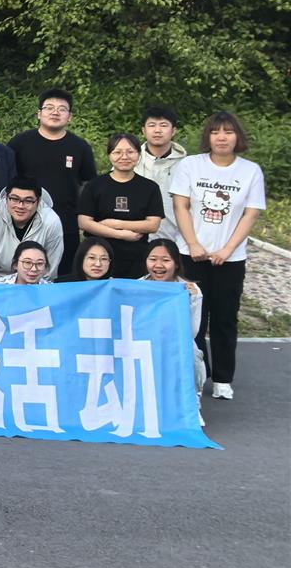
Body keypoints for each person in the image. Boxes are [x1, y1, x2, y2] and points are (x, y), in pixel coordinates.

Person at [169, 111, 266, 401]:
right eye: (215, 132)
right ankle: (199, 374)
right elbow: (181, 206)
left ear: (237, 136)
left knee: (225, 318)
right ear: (208, 137)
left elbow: (250, 214)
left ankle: (223, 378)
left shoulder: (250, 171)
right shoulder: (191, 165)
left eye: (228, 132)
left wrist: (227, 249)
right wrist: (193, 243)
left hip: (230, 259)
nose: (221, 137)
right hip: (191, 254)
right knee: (193, 319)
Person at [8, 89, 96, 278]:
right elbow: (8, 181)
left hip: (66, 224)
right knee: (24, 273)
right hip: (25, 222)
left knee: (63, 277)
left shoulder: (80, 147)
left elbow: (88, 185)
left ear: (70, 117)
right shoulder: (20, 143)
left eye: (61, 109)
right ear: (39, 114)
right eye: (49, 108)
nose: (55, 112)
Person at [76, 133, 165, 279]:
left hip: (136, 257)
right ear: (109, 155)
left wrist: (115, 223)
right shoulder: (94, 185)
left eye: (130, 152)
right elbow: (84, 222)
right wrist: (121, 234)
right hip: (99, 258)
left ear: (139, 154)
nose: (124, 157)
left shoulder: (150, 187)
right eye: (117, 152)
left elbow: (153, 224)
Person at [142, 238, 205, 393]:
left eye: (166, 260)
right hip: (144, 344)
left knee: (192, 356)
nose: (158, 265)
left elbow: (191, 332)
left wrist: (191, 302)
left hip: (176, 345)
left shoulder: (189, 289)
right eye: (153, 259)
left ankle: (193, 400)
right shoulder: (136, 286)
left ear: (176, 263)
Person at [0, 177, 65, 279]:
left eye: (28, 201)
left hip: (35, 281)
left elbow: (49, 269)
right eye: (15, 199)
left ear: (38, 201)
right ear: (6, 197)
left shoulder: (51, 221)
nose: (20, 206)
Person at [136, 104, 189, 243]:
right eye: (152, 125)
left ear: (173, 131)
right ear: (143, 130)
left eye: (164, 125)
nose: (157, 130)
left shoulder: (187, 166)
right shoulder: (129, 161)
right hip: (134, 240)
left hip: (176, 241)